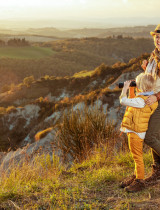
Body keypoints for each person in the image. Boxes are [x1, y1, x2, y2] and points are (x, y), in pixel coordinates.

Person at [119, 73, 158, 192]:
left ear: (141, 86)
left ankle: (139, 181)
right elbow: (133, 100)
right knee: (137, 156)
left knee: (137, 157)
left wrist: (125, 89)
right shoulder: (148, 100)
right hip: (139, 130)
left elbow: (123, 101)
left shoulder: (141, 101)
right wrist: (132, 89)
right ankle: (136, 176)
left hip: (135, 132)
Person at [141, 24, 160, 184]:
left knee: (149, 137)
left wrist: (157, 97)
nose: (158, 39)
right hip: (152, 100)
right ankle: (158, 171)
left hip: (158, 101)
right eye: (157, 36)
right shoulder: (155, 56)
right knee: (157, 136)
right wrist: (147, 70)